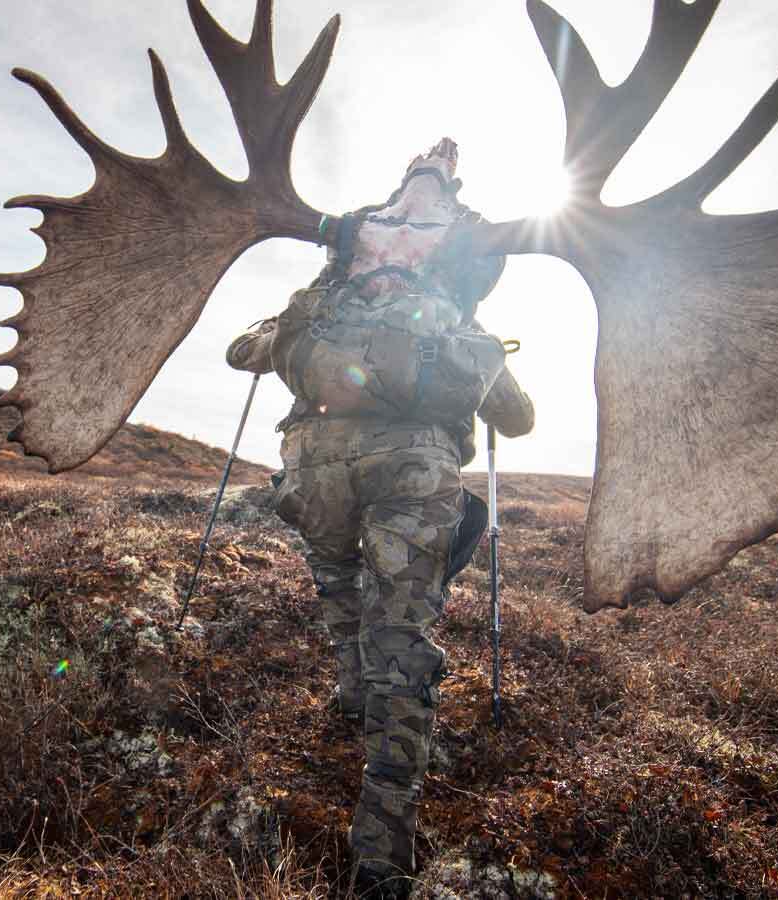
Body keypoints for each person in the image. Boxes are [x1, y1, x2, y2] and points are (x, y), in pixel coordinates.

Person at [225, 138, 533, 898]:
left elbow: (241, 353)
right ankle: (382, 855)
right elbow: (518, 421)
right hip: (416, 468)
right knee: (400, 637)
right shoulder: (453, 316)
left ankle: (348, 693)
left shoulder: (326, 300)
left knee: (336, 583)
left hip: (312, 468)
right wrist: (487, 358)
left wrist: (283, 340)